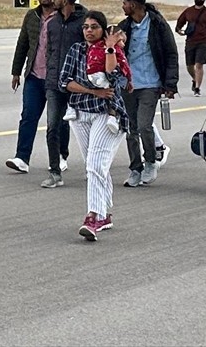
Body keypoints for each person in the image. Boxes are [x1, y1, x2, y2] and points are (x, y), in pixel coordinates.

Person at [60, 12, 130, 241]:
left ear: (103, 30)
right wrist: (92, 91)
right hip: (80, 112)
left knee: (95, 165)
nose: (89, 31)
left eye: (95, 27)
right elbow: (64, 82)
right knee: (95, 166)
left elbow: (114, 76)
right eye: (86, 27)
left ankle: (94, 216)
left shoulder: (111, 50)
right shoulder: (76, 50)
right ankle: (105, 213)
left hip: (107, 113)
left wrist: (110, 48)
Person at [116, 0, 179, 188]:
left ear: (133, 5)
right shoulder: (124, 26)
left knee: (144, 125)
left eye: (125, 3)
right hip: (128, 85)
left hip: (150, 84)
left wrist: (170, 84)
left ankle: (151, 161)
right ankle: (135, 168)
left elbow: (171, 53)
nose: (123, 6)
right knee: (130, 129)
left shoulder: (158, 25)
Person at [7, 0, 63, 174]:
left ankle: (61, 156)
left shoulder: (63, 17)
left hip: (56, 78)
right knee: (28, 117)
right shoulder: (32, 16)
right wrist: (16, 71)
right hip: (34, 75)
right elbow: (22, 44)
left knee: (57, 121)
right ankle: (22, 158)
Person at [40, 0, 87, 188]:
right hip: (54, 84)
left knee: (86, 127)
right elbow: (49, 51)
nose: (53, 0)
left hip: (78, 85)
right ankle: (54, 172)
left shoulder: (84, 23)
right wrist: (50, 76)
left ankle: (92, 166)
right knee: (53, 127)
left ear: (65, 1)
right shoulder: (52, 23)